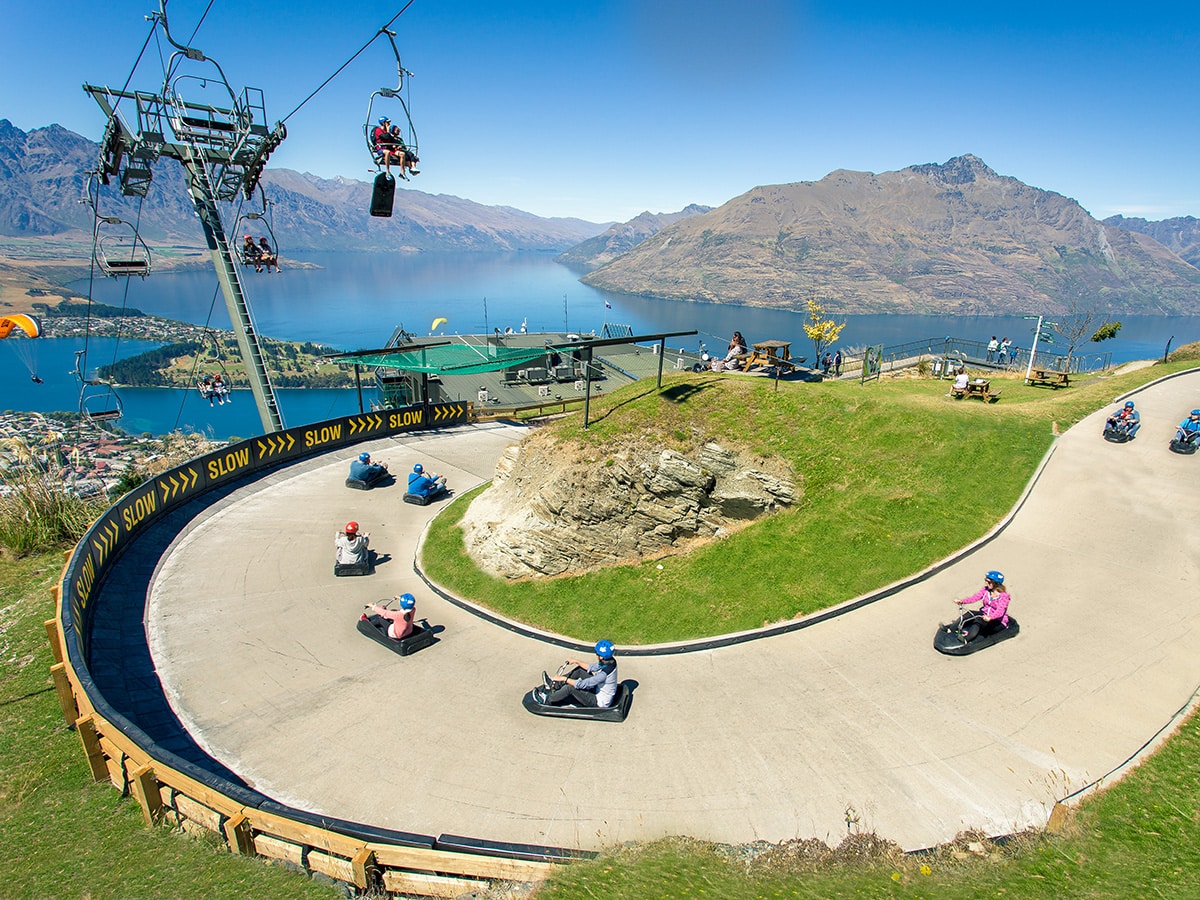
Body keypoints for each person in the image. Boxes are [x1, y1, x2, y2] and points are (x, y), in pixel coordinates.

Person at [536, 640, 618, 708]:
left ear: (601, 657)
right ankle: (554, 684)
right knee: (580, 670)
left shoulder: (603, 674)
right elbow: (593, 667)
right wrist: (576, 661)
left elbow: (583, 684)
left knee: (569, 688)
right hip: (598, 689)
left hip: (598, 702)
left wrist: (565, 679)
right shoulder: (610, 661)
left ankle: (547, 700)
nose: (596, 655)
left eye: (597, 654)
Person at [954, 570, 1011, 642]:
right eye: (986, 581)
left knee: (979, 620)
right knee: (970, 613)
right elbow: (975, 597)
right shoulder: (986, 590)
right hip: (985, 615)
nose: (986, 583)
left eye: (989, 582)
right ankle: (951, 629)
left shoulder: (1004, 596)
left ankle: (966, 639)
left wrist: (990, 617)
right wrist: (962, 601)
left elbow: (1000, 611)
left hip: (997, 621)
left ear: (996, 583)